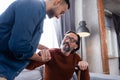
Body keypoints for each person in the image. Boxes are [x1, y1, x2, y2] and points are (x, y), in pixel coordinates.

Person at [0, 0, 70, 80]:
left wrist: (45, 48)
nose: (58, 17)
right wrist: (40, 59)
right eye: (62, 12)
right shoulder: (33, 6)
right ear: (57, 2)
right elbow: (18, 46)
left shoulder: (38, 13)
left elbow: (25, 40)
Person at [26, 31, 90, 80]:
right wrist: (38, 55)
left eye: (72, 40)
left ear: (76, 46)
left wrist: (84, 67)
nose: (67, 40)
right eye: (66, 37)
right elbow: (29, 66)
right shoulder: (51, 52)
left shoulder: (76, 58)